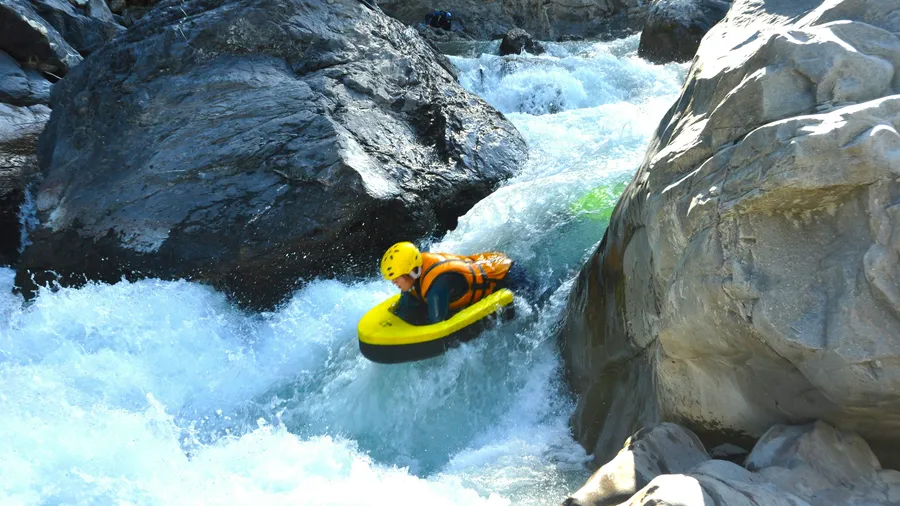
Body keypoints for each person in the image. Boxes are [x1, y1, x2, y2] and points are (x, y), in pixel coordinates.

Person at [379, 242, 537, 325]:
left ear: (410, 271)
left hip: (508, 276)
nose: (393, 282)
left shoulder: (437, 286)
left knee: (537, 309)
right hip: (490, 262)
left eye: (396, 278)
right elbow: (405, 307)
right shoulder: (414, 274)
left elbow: (437, 325)